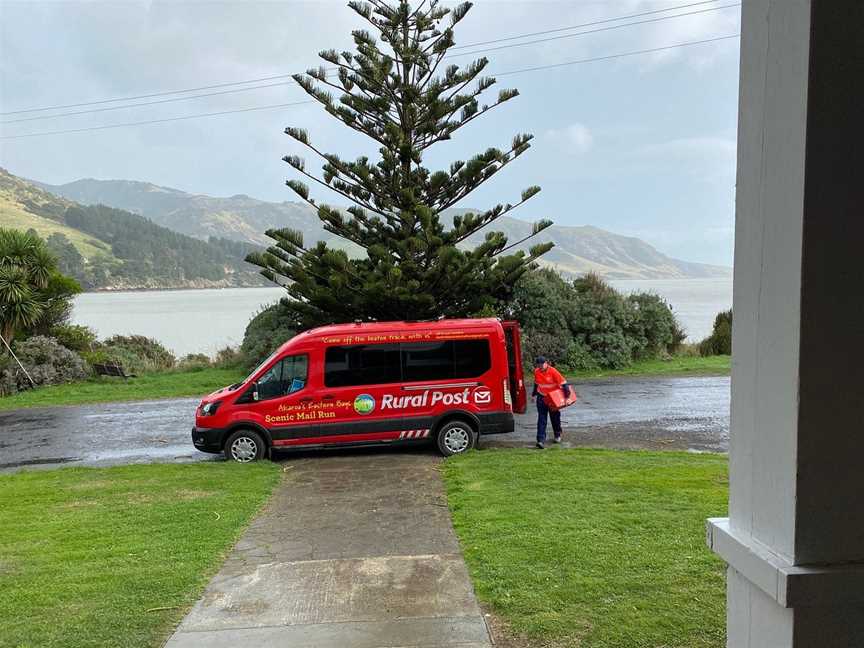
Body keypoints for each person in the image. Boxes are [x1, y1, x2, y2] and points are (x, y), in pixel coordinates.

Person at [532, 356, 569, 449]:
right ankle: (540, 440)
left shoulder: (553, 371)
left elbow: (564, 384)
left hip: (553, 398)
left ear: (546, 363)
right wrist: (533, 395)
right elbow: (536, 384)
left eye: (542, 364)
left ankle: (557, 435)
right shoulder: (537, 371)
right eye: (538, 364)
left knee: (555, 417)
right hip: (541, 397)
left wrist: (567, 397)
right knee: (541, 418)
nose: (540, 366)